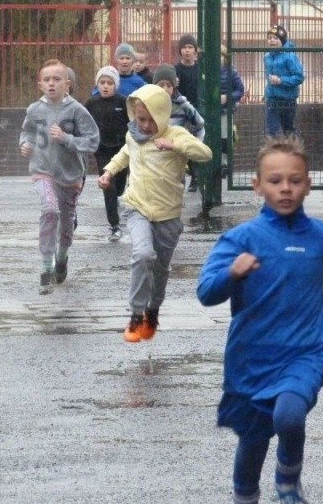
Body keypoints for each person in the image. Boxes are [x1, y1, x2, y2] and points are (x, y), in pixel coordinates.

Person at [196, 137, 323, 504]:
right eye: (276, 180)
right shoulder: (241, 240)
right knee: (250, 449)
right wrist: (232, 273)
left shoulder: (322, 238)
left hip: (307, 352)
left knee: (289, 415)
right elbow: (206, 293)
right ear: (257, 185)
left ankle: (288, 482)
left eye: (294, 181)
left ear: (308, 185)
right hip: (251, 358)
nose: (286, 188)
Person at [97, 84, 212, 343]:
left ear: (162, 116)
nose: (146, 125)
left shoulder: (177, 134)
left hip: (168, 214)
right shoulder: (133, 136)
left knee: (160, 269)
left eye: (151, 120)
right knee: (142, 254)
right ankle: (136, 315)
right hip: (137, 207)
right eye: (141, 119)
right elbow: (124, 154)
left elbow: (205, 154)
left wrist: (174, 146)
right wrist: (108, 172)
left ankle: (153, 310)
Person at [19, 58, 100, 294]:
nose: (51, 84)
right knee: (49, 210)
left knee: (66, 226)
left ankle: (62, 256)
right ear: (40, 84)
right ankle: (46, 265)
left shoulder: (77, 111)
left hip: (70, 176)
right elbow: (28, 132)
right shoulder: (34, 110)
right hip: (42, 171)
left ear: (67, 84)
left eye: (56, 79)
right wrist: (25, 144)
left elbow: (92, 141)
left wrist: (66, 138)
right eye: (47, 80)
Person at [85, 66, 130, 241]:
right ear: (98, 84)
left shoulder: (123, 102)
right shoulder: (91, 103)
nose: (105, 86)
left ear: (115, 85)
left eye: (109, 83)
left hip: (121, 150)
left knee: (119, 187)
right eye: (102, 82)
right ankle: (114, 225)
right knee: (108, 186)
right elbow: (83, 123)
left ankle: (119, 194)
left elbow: (132, 123)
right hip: (102, 150)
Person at [263, 25, 304, 139]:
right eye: (270, 38)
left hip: (287, 99)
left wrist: (281, 80)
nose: (272, 40)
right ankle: (273, 154)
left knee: (289, 130)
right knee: (271, 132)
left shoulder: (290, 56)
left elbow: (299, 77)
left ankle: (295, 153)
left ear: (282, 40)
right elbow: (267, 75)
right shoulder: (266, 56)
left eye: (275, 38)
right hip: (272, 99)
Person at [174, 33, 202, 192]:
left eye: (190, 47)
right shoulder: (176, 69)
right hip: (182, 112)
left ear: (195, 50)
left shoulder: (201, 68)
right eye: (184, 47)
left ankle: (197, 177)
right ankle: (190, 176)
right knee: (184, 145)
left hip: (198, 110)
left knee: (197, 143)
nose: (187, 50)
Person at [152, 64, 205, 144]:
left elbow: (199, 123)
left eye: (169, 85)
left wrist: (191, 145)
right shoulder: (149, 104)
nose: (165, 89)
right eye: (161, 85)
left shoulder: (182, 105)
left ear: (174, 87)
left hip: (176, 151)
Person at [219, 44, 245, 179]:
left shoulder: (231, 72)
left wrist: (227, 97)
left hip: (225, 110)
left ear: (224, 58)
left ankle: (225, 163)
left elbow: (240, 90)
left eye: (220, 56)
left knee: (225, 138)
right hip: (211, 112)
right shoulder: (206, 71)